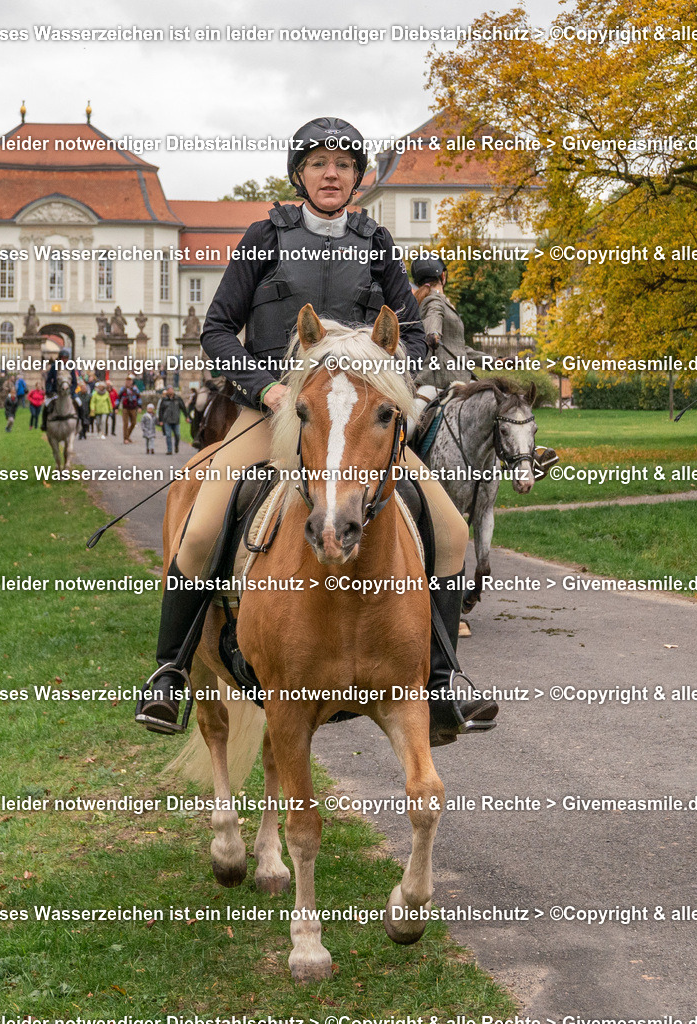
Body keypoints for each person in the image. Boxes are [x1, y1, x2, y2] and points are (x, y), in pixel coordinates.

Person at [135, 116, 499, 745]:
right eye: (318, 163)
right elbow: (217, 329)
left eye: (344, 164)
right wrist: (268, 388)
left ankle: (441, 681)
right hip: (272, 412)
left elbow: (411, 336)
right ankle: (170, 673)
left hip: (355, 423)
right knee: (198, 531)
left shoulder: (378, 244)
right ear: (299, 173)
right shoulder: (262, 238)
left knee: (452, 529)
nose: (331, 174)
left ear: (359, 177)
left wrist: (384, 383)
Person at [411, 258, 489, 391]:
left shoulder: (427, 299)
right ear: (442, 276)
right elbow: (433, 315)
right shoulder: (434, 299)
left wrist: (496, 361)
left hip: (458, 377)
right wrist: (433, 333)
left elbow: (458, 349)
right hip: (436, 380)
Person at [157, 387, 188, 455]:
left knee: (177, 434)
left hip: (176, 420)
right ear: (167, 391)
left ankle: (176, 446)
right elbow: (161, 410)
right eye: (169, 390)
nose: (170, 391)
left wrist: (187, 416)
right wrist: (160, 420)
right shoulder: (164, 400)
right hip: (167, 420)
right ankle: (169, 450)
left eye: (171, 390)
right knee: (168, 435)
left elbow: (183, 408)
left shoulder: (178, 399)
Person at [118, 376, 142, 444]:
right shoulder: (123, 389)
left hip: (133, 408)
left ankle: (127, 436)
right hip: (125, 408)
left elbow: (139, 398)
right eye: (127, 381)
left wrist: (140, 407)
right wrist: (116, 408)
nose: (128, 382)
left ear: (131, 382)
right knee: (125, 423)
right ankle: (125, 438)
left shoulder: (135, 389)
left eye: (130, 381)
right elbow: (118, 398)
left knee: (134, 423)